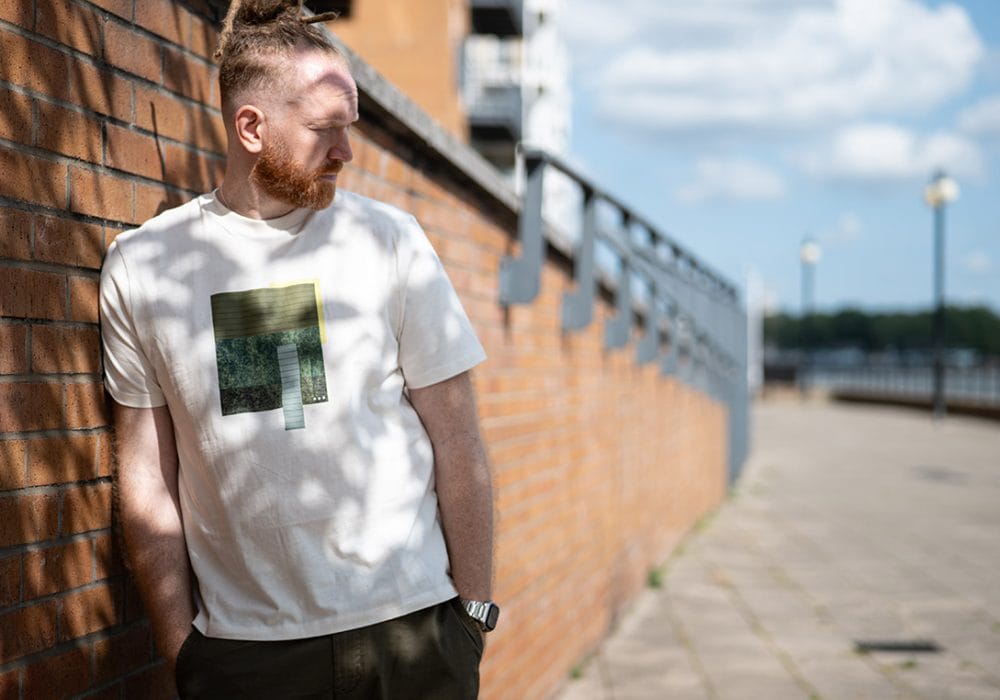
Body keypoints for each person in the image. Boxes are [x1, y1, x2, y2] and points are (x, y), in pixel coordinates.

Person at [99, 1, 497, 697]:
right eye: (325, 130)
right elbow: (146, 475)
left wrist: (472, 617)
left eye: (350, 128)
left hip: (412, 634)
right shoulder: (146, 266)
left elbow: (459, 441)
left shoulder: (389, 240)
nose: (346, 152)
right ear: (250, 127)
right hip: (249, 657)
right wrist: (180, 650)